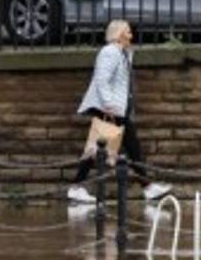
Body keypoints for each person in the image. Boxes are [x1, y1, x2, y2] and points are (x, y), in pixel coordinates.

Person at [69, 20, 169, 203]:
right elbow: (102, 79)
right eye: (128, 32)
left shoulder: (122, 54)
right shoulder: (110, 53)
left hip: (116, 109)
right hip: (110, 109)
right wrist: (109, 105)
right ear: (118, 34)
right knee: (110, 148)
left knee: (120, 147)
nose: (131, 36)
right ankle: (147, 187)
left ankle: (147, 187)